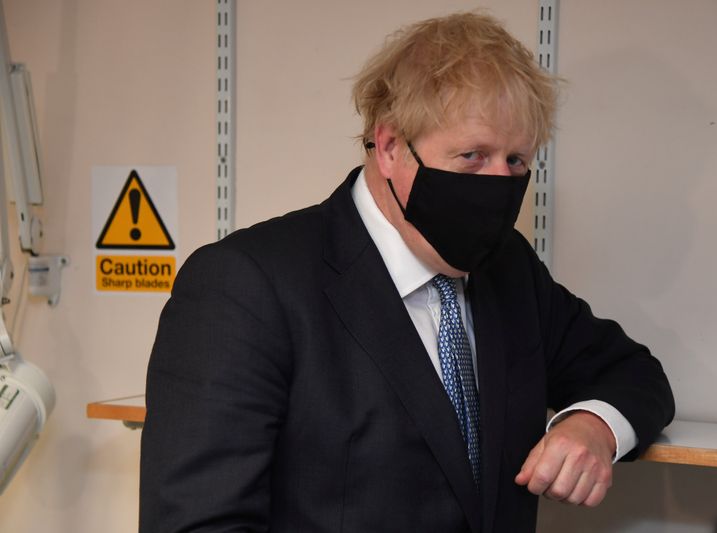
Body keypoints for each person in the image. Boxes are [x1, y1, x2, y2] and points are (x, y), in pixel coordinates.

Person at [139, 12, 674, 533]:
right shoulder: (245, 285)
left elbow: (636, 375)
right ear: (391, 146)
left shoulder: (508, 269)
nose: (499, 183)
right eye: (472, 155)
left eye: (515, 161)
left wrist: (594, 425)